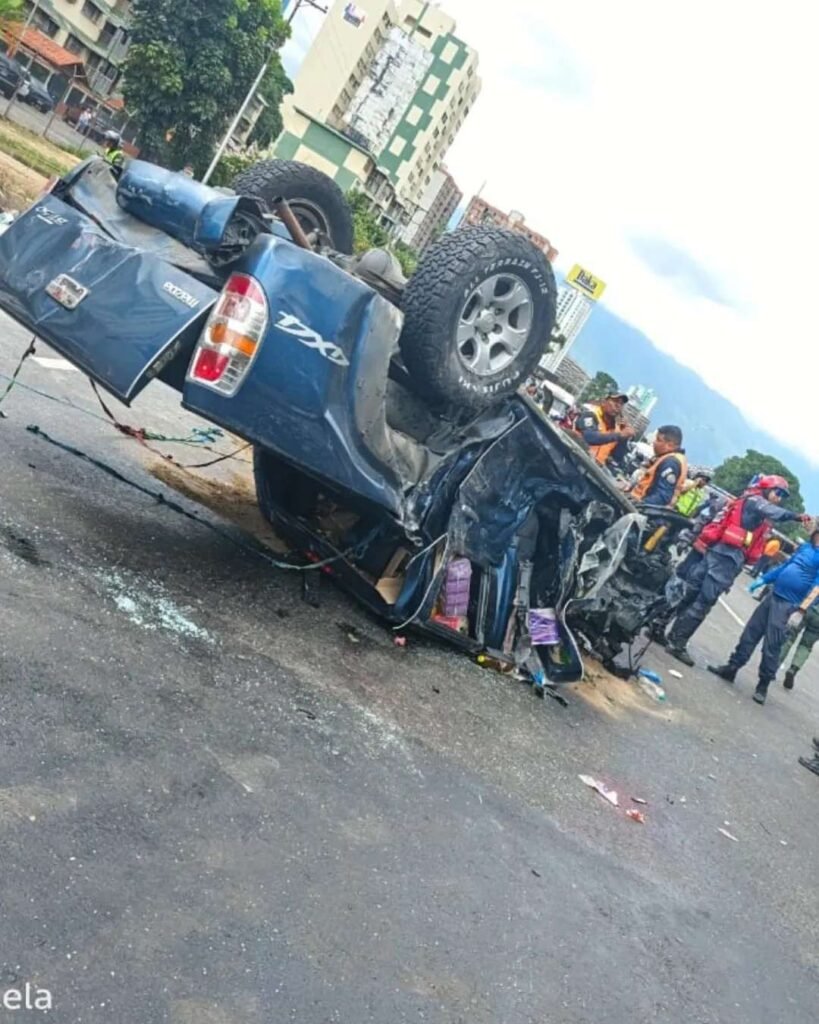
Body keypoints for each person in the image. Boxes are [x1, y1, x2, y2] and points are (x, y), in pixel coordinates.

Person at [665, 475, 812, 666]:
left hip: (716, 553)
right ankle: (677, 642)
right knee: (702, 602)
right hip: (725, 559)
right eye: (777, 493)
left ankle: (659, 626)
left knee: (688, 595)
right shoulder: (756, 502)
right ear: (767, 489)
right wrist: (796, 516)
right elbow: (773, 511)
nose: (779, 498)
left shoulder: (746, 500)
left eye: (782, 496)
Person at [709, 529, 819, 704]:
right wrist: (765, 579)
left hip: (789, 605)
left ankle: (763, 685)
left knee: (772, 645)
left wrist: (801, 610)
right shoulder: (805, 547)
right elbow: (785, 566)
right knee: (750, 633)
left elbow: (817, 587)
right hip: (773, 595)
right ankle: (732, 667)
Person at [628, 425, 687, 507]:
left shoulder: (671, 463)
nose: (654, 442)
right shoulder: (668, 458)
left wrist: (639, 505)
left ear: (669, 445)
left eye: (658, 440)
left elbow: (662, 496)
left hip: (641, 511)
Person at [574, 393, 635, 467]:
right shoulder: (590, 415)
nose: (618, 406)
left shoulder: (616, 429)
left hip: (593, 470)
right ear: (604, 402)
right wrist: (620, 435)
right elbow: (590, 437)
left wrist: (624, 438)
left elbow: (617, 457)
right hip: (575, 461)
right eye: (615, 401)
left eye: (621, 404)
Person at [779, 600, 819, 690]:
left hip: (809, 609)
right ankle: (793, 669)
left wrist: (802, 607)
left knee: (789, 637)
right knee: (806, 646)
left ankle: (775, 664)